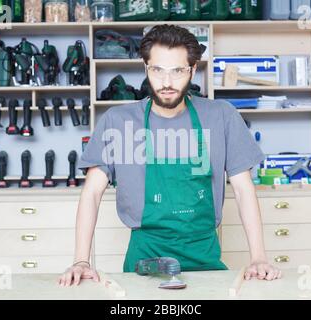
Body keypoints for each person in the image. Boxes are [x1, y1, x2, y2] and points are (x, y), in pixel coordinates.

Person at [58, 24, 282, 286]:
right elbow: (92, 192)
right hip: (143, 263)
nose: (166, 83)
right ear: (146, 69)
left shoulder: (221, 116)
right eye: (157, 70)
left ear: (192, 70)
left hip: (206, 261)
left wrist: (258, 257)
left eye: (177, 71)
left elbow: (244, 190)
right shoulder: (117, 121)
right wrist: (81, 261)